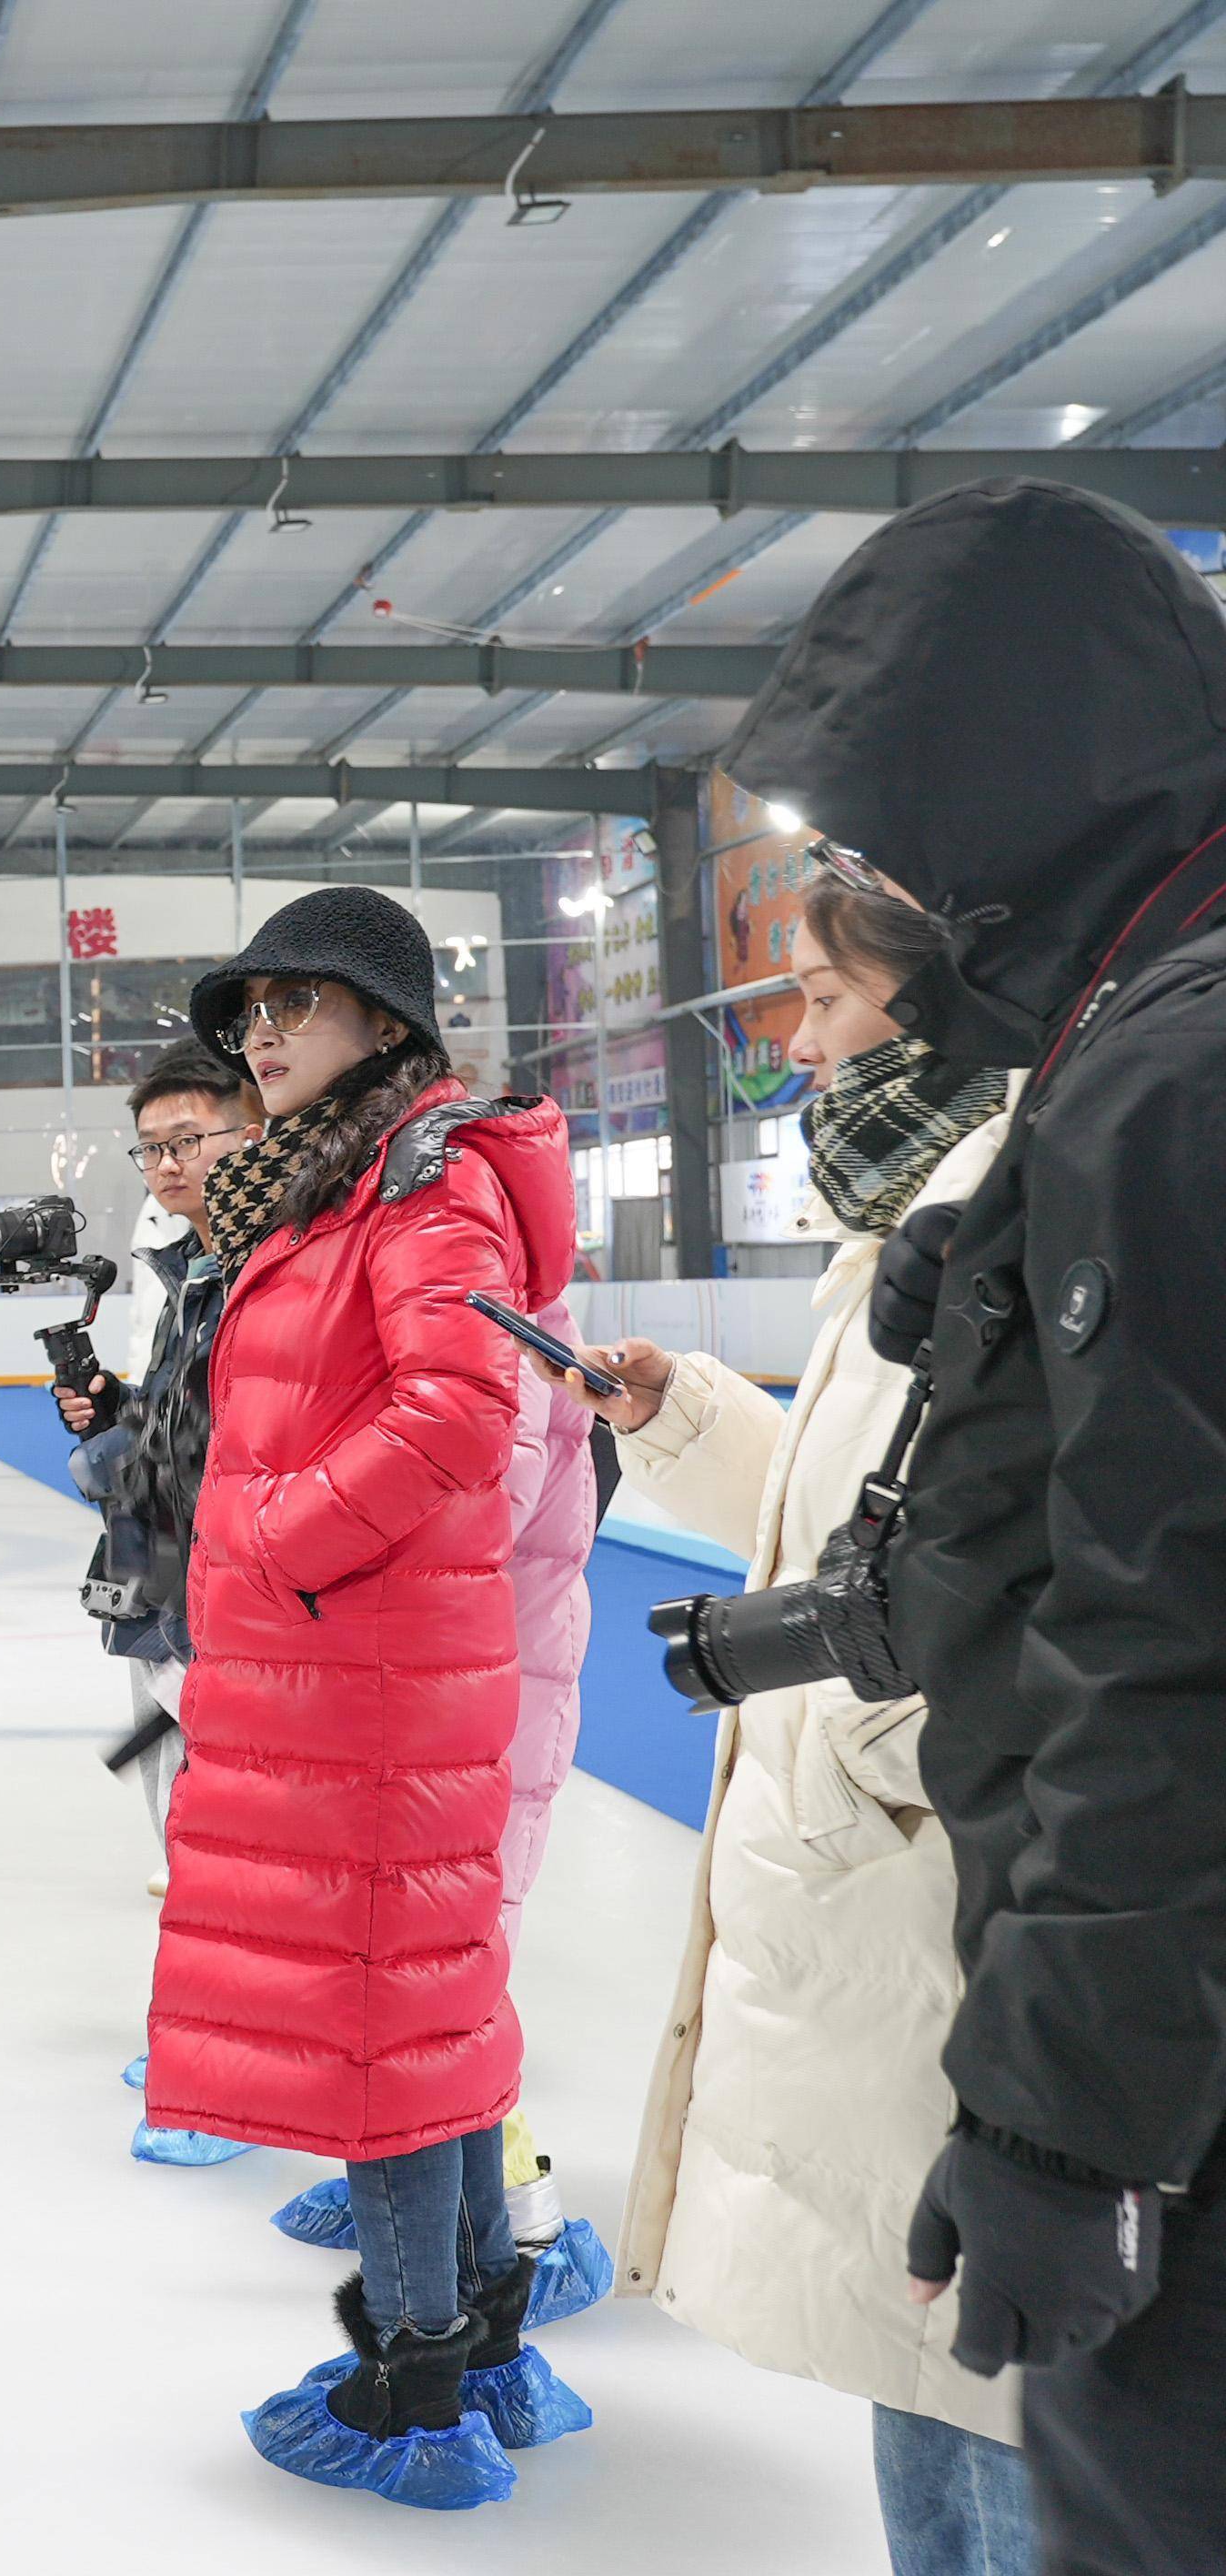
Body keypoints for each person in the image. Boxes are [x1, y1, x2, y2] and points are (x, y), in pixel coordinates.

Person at [726, 477, 1226, 2576]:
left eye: (884, 832)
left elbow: (1161, 1632)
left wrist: (1055, 2116)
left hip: (1175, 2100)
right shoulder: (1131, 1038)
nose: (871, 891)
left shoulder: (1166, 1080)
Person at [542, 864, 1029, 2574]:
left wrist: (877, 1752)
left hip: (958, 1908)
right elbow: (860, 1542)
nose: (799, 1043)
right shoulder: (901, 1224)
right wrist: (690, 1422)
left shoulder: (1020, 1207)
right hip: (885, 1919)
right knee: (925, 2368)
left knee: (1005, 2409)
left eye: (826, 998)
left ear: (943, 996)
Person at [150, 887, 591, 2509]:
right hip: (360, 1665)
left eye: (300, 1005)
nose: (262, 1035)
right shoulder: (337, 1183)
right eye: (250, 1011)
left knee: (383, 2038)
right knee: (429, 2017)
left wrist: (280, 1535)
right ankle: (474, 2350)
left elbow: (463, 1407)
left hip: (372, 1670)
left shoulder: (423, 1182)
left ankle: (417, 2384)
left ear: (388, 1027)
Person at [57, 1044, 258, 2162]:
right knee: (172, 1802)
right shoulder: (170, 1256)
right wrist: (114, 1419)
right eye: (152, 1148)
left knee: (225, 1823)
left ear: (250, 1131)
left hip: (227, 1578)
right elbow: (175, 1408)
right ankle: (200, 2023)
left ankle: (231, 2063)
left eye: (191, 1140)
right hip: (156, 1565)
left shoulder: (264, 1254)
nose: (169, 1164)